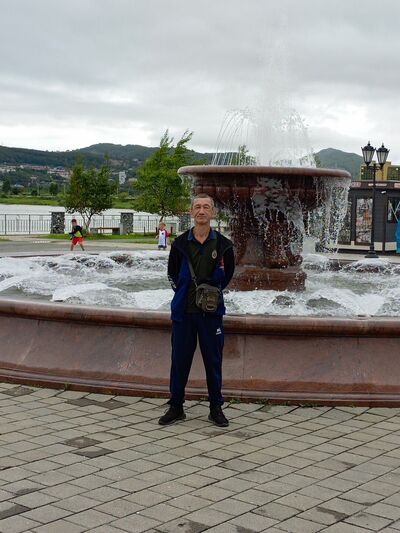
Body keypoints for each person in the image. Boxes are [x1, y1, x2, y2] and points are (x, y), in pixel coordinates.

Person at [159, 193, 235, 427]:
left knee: (213, 361)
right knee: (179, 361)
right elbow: (172, 274)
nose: (201, 211)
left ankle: (215, 408)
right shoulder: (180, 243)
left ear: (213, 212)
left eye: (206, 207)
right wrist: (185, 293)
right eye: (197, 207)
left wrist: (210, 295)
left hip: (211, 314)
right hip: (184, 313)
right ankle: (176, 407)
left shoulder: (223, 245)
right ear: (191, 212)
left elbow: (228, 275)